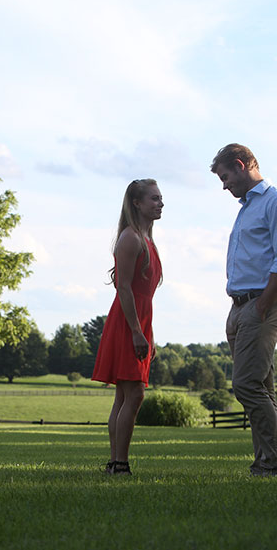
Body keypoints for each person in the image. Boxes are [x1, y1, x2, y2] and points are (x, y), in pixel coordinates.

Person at [210, 143, 277, 479]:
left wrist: (262, 306)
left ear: (240, 164)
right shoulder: (247, 207)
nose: (224, 185)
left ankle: (275, 465)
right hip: (240, 306)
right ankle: (265, 464)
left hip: (262, 304)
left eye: (225, 177)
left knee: (246, 385)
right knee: (261, 387)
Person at [92, 178, 163, 476]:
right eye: (154, 199)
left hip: (139, 320)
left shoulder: (147, 239)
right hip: (126, 321)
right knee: (133, 395)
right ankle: (119, 463)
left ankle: (114, 463)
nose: (160, 203)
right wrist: (136, 331)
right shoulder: (130, 238)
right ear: (136, 202)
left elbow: (145, 294)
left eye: (160, 198)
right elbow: (123, 288)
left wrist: (149, 334)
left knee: (124, 395)